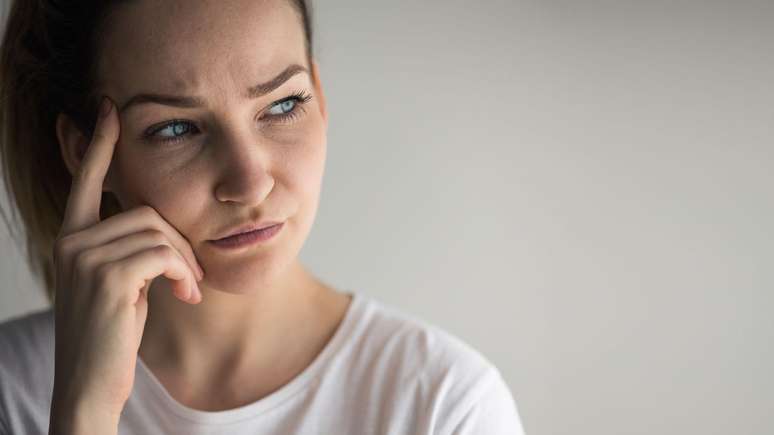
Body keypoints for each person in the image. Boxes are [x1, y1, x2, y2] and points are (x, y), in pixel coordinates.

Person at [0, 0, 526, 433]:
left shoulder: (443, 404)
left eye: (281, 105)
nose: (250, 182)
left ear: (319, 97)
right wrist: (84, 413)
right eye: (177, 129)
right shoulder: (13, 390)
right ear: (86, 152)